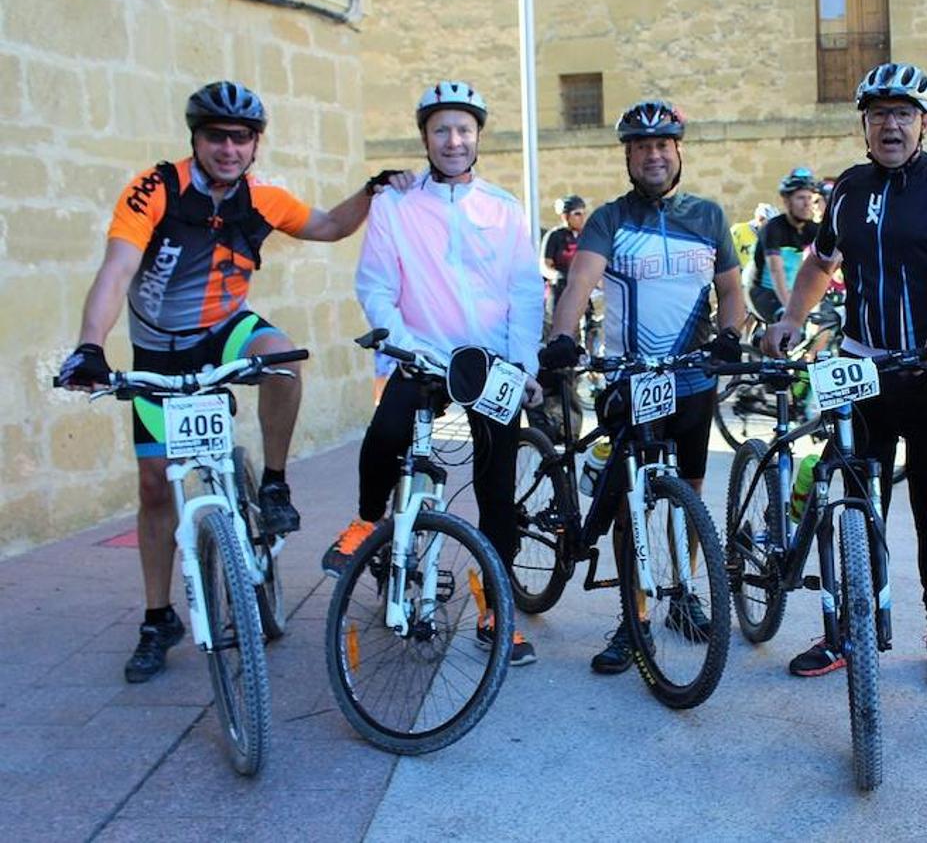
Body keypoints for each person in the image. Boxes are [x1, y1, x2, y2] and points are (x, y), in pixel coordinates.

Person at [57, 80, 408, 683]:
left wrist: (371, 192)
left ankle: (272, 484)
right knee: (152, 485)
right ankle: (158, 617)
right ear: (195, 138)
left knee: (284, 360)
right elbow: (116, 271)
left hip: (225, 328)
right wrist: (90, 346)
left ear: (254, 145)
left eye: (240, 138)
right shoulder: (154, 190)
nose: (228, 149)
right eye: (216, 137)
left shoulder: (263, 197)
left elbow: (325, 226)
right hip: (159, 349)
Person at [762, 62, 927, 691]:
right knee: (857, 504)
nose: (890, 125)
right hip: (864, 371)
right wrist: (790, 319)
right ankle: (844, 630)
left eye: (903, 114)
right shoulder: (848, 189)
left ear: (924, 122)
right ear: (864, 124)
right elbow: (819, 263)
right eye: (878, 114)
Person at [320, 81, 544, 666]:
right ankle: (367, 522)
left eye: (464, 130)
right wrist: (404, 345)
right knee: (386, 437)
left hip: (491, 363)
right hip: (422, 356)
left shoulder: (504, 207)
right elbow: (376, 284)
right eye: (441, 130)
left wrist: (523, 365)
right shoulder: (395, 204)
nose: (453, 140)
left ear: (478, 138)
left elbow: (524, 293)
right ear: (424, 137)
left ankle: (497, 610)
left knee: (498, 492)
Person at [539, 98, 746, 673]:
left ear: (678, 151)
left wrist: (730, 334)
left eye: (662, 145)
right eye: (641, 147)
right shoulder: (608, 219)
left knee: (689, 500)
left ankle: (681, 595)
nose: (653, 155)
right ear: (628, 157)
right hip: (630, 376)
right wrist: (562, 336)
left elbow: (731, 291)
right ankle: (635, 621)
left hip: (693, 379)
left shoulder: (707, 217)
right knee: (634, 501)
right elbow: (579, 284)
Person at [747, 168, 820, 324]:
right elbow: (776, 270)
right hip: (763, 291)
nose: (807, 203)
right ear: (787, 202)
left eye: (810, 198)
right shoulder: (773, 228)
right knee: (786, 325)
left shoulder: (812, 229)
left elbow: (836, 254)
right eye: (800, 198)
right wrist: (790, 309)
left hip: (790, 291)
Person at [541, 194, 588, 310]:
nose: (582, 218)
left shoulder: (586, 237)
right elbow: (544, 267)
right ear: (565, 216)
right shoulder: (554, 236)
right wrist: (558, 275)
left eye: (583, 213)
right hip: (560, 288)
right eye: (577, 214)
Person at [730, 201, 779, 274]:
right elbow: (725, 251)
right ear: (760, 219)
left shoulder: (771, 237)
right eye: (770, 223)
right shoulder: (738, 229)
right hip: (736, 273)